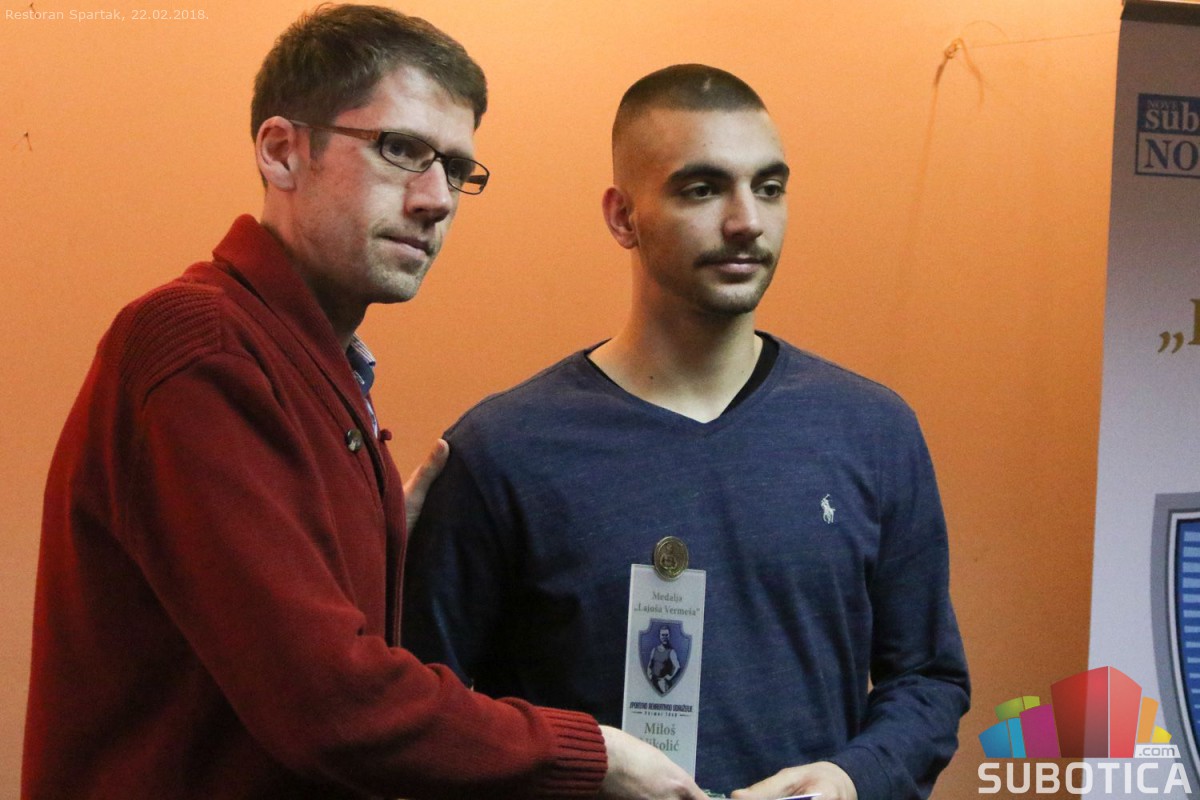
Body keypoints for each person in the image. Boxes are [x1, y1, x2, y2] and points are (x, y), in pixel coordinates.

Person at [21, 7, 708, 800]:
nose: (437, 198)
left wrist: (380, 540)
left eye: (456, 168)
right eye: (401, 150)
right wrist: (594, 754)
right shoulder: (205, 345)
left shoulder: (317, 369)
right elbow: (330, 707)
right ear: (282, 151)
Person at [403, 64, 971, 800]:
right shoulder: (501, 453)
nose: (747, 221)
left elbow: (928, 680)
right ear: (622, 217)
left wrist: (848, 780)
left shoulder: (873, 430)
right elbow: (428, 719)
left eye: (769, 187)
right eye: (702, 189)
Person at [647, 626, 681, 694]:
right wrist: (649, 676)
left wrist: (669, 677)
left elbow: (677, 667)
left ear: (669, 636)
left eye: (666, 635)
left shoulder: (671, 651)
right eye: (663, 635)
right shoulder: (654, 650)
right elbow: (650, 665)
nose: (664, 637)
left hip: (663, 684)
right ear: (660, 636)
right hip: (653, 682)